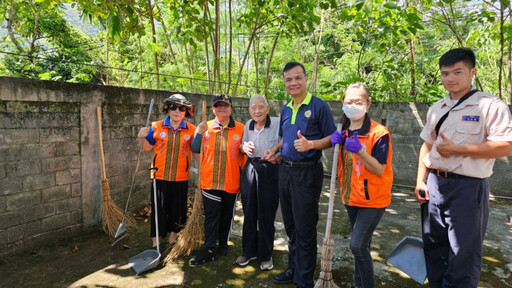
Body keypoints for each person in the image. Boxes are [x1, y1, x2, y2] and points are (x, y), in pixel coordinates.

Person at [414, 48, 512, 287]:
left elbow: (506, 146)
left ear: (472, 72)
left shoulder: (491, 106)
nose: (450, 78)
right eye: (445, 73)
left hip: (468, 188)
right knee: (434, 247)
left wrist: (458, 149)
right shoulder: (437, 107)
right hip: (435, 185)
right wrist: (420, 180)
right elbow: (427, 146)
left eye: (457, 72)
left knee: (463, 254)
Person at [265, 62, 336, 287]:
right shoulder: (286, 108)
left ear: (306, 79)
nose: (293, 83)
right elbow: (286, 138)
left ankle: (304, 279)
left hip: (307, 174)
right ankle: (293, 268)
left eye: (297, 78)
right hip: (285, 171)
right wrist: (275, 151)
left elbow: (334, 138)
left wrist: (311, 144)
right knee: (290, 225)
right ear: (284, 83)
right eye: (288, 79)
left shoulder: (318, 106)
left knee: (305, 227)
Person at [331, 82, 393, 288]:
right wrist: (335, 142)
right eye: (349, 102)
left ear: (368, 104)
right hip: (351, 197)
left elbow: (379, 169)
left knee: (356, 245)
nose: (353, 106)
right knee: (362, 246)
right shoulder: (344, 130)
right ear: (343, 103)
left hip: (373, 200)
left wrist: (360, 150)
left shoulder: (379, 133)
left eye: (359, 102)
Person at [189, 94, 245, 265]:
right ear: (213, 108)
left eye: (226, 105)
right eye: (218, 105)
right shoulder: (205, 127)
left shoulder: (241, 129)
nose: (222, 108)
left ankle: (223, 244)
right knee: (212, 216)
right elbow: (195, 148)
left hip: (231, 181)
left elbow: (246, 152)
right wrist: (198, 133)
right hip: (210, 181)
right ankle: (209, 249)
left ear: (231, 109)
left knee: (227, 216)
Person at [137, 94, 197, 249]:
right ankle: (155, 241)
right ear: (167, 109)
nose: (177, 111)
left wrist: (203, 170)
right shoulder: (156, 126)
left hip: (181, 176)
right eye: (173, 107)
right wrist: (141, 137)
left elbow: (196, 152)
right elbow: (146, 147)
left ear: (186, 112)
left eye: (181, 108)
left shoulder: (191, 130)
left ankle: (172, 237)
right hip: (159, 175)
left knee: (178, 209)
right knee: (159, 209)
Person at [236, 94, 280, 271]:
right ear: (249, 110)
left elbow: (286, 142)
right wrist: (243, 147)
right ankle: (248, 251)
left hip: (270, 170)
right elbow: (241, 145)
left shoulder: (277, 123)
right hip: (251, 168)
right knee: (249, 211)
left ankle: (266, 254)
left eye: (261, 107)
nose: (257, 110)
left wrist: (278, 155)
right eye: (253, 108)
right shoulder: (248, 125)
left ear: (268, 108)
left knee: (266, 213)